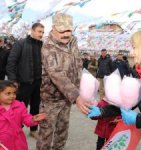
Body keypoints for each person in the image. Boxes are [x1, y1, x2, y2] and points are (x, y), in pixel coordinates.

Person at [36, 13, 92, 150]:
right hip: (51, 99)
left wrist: (84, 88)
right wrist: (76, 95)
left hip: (67, 98)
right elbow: (56, 74)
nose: (66, 34)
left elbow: (78, 65)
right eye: (62, 31)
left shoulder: (73, 42)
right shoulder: (48, 47)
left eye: (69, 30)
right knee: (46, 135)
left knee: (62, 132)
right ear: (53, 28)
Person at [6, 22, 44, 138]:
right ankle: (16, 130)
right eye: (39, 31)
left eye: (43, 32)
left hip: (38, 83)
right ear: (32, 31)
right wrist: (13, 81)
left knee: (35, 107)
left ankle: (33, 130)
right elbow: (11, 63)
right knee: (19, 108)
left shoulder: (42, 46)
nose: (41, 34)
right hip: (23, 83)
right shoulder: (21, 43)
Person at [0, 80, 46, 150]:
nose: (12, 96)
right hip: (3, 144)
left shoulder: (19, 105)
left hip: (19, 141)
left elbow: (26, 118)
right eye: (8, 93)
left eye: (14, 93)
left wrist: (33, 119)